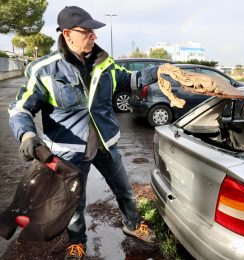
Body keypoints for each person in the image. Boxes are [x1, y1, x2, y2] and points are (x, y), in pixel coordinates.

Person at [8, 6, 158, 259]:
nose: (93, 36)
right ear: (67, 34)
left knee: (124, 190)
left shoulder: (104, 63)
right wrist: (26, 135)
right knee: (75, 204)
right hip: (69, 154)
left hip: (104, 145)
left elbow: (130, 80)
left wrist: (159, 72)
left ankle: (132, 225)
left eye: (93, 31)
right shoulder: (45, 69)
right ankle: (77, 242)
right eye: (87, 31)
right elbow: (21, 107)